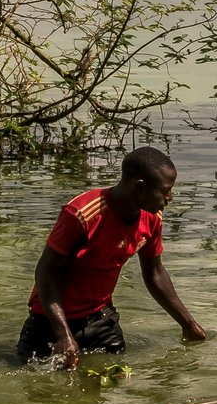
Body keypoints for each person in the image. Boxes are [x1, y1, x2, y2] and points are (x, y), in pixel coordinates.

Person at [17, 146, 206, 367]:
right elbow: (45, 272)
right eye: (165, 191)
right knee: (44, 391)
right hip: (49, 323)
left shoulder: (152, 218)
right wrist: (63, 336)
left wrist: (188, 325)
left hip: (100, 319)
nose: (169, 197)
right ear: (140, 188)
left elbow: (155, 273)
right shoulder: (82, 214)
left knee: (112, 382)